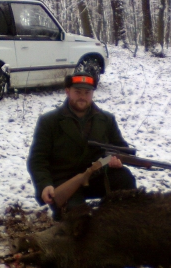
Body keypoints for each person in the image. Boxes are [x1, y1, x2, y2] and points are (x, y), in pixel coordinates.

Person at [27, 72, 136, 219]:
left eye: (87, 92)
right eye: (77, 92)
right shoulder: (49, 121)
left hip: (96, 177)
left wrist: (117, 160)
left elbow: (121, 148)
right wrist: (45, 185)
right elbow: (37, 159)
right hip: (63, 181)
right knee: (78, 219)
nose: (82, 97)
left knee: (125, 180)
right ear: (67, 91)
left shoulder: (106, 119)